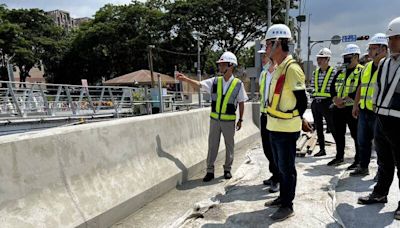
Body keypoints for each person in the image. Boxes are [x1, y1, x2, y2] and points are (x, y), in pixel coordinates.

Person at [262, 24, 312, 221]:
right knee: (280, 167)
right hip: (274, 127)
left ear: (277, 43)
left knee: (287, 168)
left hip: (285, 130)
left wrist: (295, 121)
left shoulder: (292, 69)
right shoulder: (279, 68)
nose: (266, 49)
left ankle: (287, 205)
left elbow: (302, 101)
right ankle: (282, 198)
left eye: (268, 44)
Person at [176, 51, 248, 182]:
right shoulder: (215, 81)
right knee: (212, 145)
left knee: (229, 146)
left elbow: (242, 102)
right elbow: (199, 84)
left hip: (229, 121)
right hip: (215, 120)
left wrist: (241, 119)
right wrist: (185, 79)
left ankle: (227, 169)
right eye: (219, 64)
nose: (219, 67)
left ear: (230, 66)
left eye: (222, 64)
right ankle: (210, 171)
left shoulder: (238, 84)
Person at [358, 17, 400, 221]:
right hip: (381, 119)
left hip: (399, 122)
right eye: (390, 39)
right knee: (383, 161)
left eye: (395, 39)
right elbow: (378, 88)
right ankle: (380, 193)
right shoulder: (384, 64)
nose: (391, 43)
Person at [350, 33, 388, 176]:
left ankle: (382, 171)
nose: (369, 52)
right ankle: (363, 166)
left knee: (381, 145)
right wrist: (355, 105)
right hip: (364, 110)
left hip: (379, 113)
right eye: (369, 48)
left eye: (373, 48)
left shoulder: (388, 67)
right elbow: (361, 86)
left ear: (383, 49)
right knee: (362, 141)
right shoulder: (366, 67)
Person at [328, 44, 364, 169]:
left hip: (353, 108)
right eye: (345, 57)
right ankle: (339, 157)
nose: (346, 59)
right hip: (338, 107)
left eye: (348, 57)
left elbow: (362, 87)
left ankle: (358, 160)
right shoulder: (341, 71)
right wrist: (335, 99)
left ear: (356, 56)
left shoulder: (362, 70)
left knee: (356, 135)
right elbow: (332, 87)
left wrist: (349, 99)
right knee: (338, 133)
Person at [258, 46, 280, 193]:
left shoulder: (279, 72)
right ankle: (274, 174)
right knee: (267, 148)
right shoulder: (264, 74)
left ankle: (278, 179)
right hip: (264, 115)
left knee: (275, 149)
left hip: (275, 116)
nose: (262, 58)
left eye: (264, 55)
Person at [310, 48, 336, 157]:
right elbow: (312, 87)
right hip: (316, 103)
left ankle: (339, 150)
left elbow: (335, 88)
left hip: (328, 103)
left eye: (321, 58)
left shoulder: (334, 72)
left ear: (328, 59)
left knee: (332, 126)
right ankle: (322, 149)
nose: (319, 61)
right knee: (318, 127)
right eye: (318, 58)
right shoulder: (315, 73)